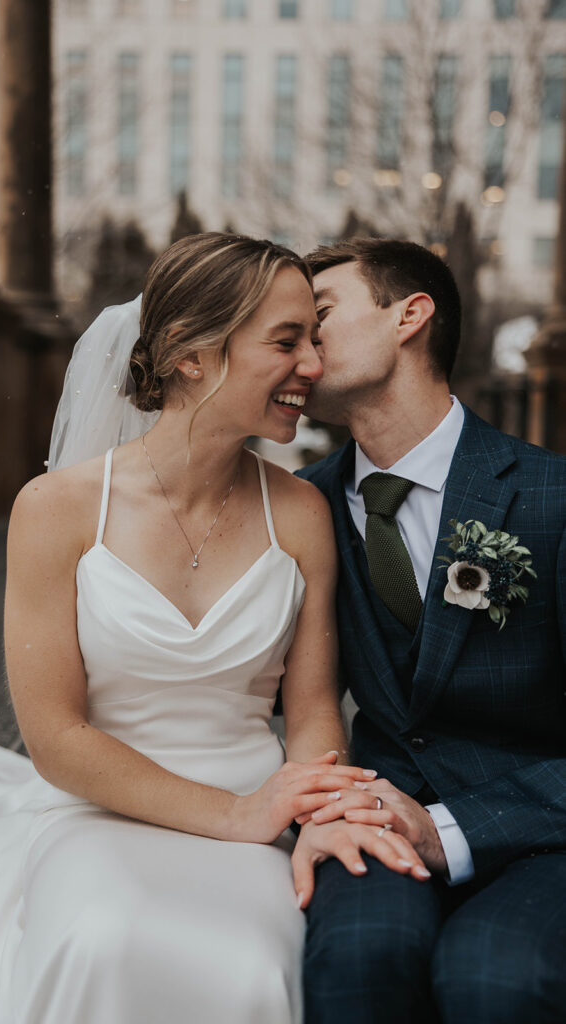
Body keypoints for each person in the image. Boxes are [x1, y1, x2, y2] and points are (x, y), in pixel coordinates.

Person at [0, 232, 428, 1024]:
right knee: (104, 937)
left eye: (313, 337)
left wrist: (316, 812)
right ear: (189, 354)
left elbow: (312, 712)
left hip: (258, 812)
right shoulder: (57, 509)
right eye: (286, 341)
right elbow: (56, 738)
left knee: (250, 962)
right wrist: (232, 815)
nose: (312, 364)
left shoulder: (303, 513)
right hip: (97, 811)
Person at [293, 238, 566, 1024]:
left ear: (409, 315)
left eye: (317, 318)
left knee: (494, 976)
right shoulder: (296, 511)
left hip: (545, 832)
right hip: (374, 818)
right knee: (357, 959)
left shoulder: (552, 498)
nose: (299, 349)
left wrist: (448, 827)